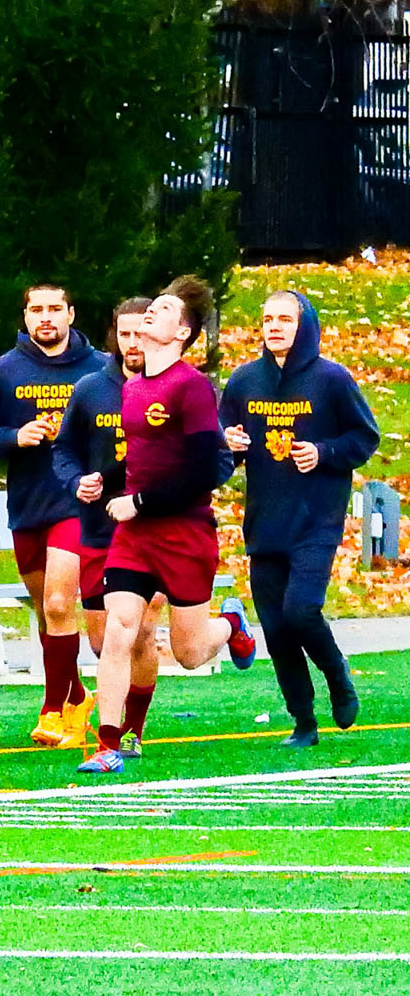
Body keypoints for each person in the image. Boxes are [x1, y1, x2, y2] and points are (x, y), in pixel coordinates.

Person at [76, 276, 257, 774]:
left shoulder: (192, 387)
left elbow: (202, 470)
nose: (151, 313)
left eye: (164, 309)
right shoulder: (133, 388)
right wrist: (104, 479)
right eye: (151, 306)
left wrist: (139, 501)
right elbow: (140, 457)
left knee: (190, 652)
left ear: (182, 332)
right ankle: (108, 743)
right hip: (136, 537)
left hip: (184, 534)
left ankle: (232, 625)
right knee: (120, 631)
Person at [222, 290, 379, 747]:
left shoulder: (331, 379)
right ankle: (303, 721)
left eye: (285, 319)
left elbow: (364, 437)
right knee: (275, 626)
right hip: (265, 521)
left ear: (304, 324)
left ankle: (337, 674)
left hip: (315, 518)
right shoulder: (244, 381)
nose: (274, 327)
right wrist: (226, 443)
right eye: (267, 318)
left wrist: (324, 451)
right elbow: (221, 443)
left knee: (301, 610)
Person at [0, 284, 106, 748]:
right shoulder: (1, 373)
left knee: (57, 604)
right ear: (25, 316)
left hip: (78, 504)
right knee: (47, 613)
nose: (45, 317)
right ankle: (76, 695)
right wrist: (15, 437)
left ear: (71, 313)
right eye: (37, 310)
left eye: (55, 309)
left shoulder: (100, 369)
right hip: (29, 504)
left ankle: (53, 710)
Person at [53, 298, 165, 758]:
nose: (133, 343)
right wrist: (77, 480)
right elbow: (64, 451)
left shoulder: (177, 387)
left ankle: (128, 730)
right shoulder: (90, 390)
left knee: (137, 631)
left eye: (141, 332)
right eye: (125, 334)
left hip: (156, 528)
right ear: (114, 337)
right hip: (100, 529)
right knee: (103, 639)